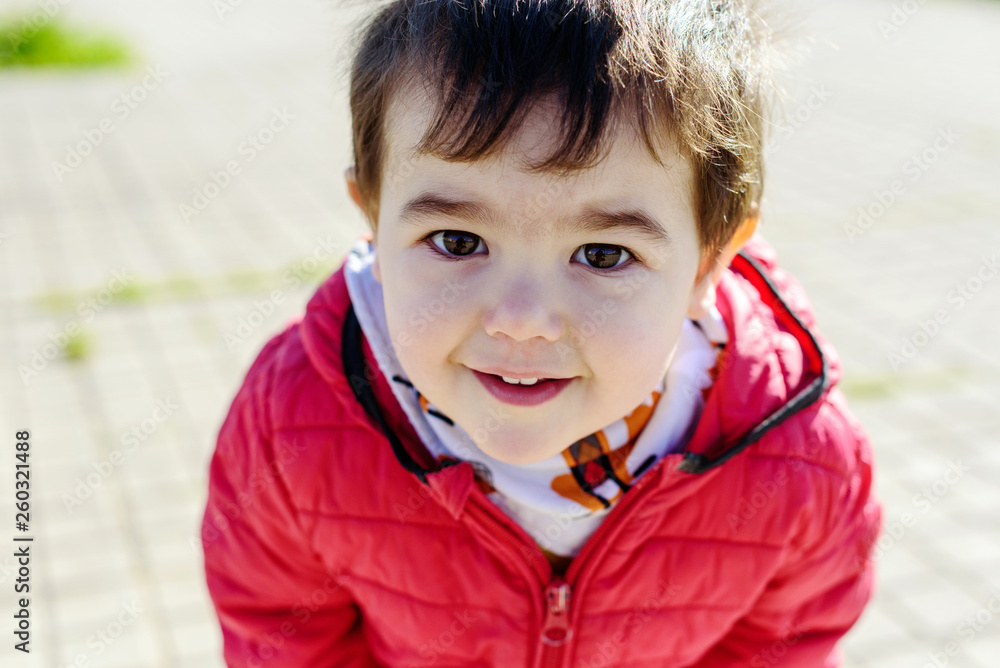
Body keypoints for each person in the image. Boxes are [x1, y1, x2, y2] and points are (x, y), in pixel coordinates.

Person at [200, 0, 883, 665]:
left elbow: (784, 643)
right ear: (375, 220)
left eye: (604, 254)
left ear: (710, 261)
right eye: (457, 240)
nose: (520, 320)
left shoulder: (798, 460)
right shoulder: (293, 424)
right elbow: (282, 629)